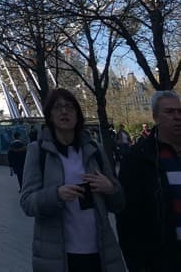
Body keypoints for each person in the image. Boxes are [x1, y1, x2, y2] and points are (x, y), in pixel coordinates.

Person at [20, 87, 125, 272]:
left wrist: (110, 188)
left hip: (100, 252)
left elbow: (119, 203)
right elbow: (27, 203)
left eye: (70, 107)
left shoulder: (94, 150)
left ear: (78, 114)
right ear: (50, 116)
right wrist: (56, 195)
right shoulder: (38, 151)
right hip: (59, 256)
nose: (64, 111)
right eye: (57, 107)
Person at [117, 90, 181, 272]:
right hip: (163, 260)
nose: (177, 116)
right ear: (155, 117)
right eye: (169, 112)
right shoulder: (137, 159)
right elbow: (128, 220)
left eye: (180, 111)